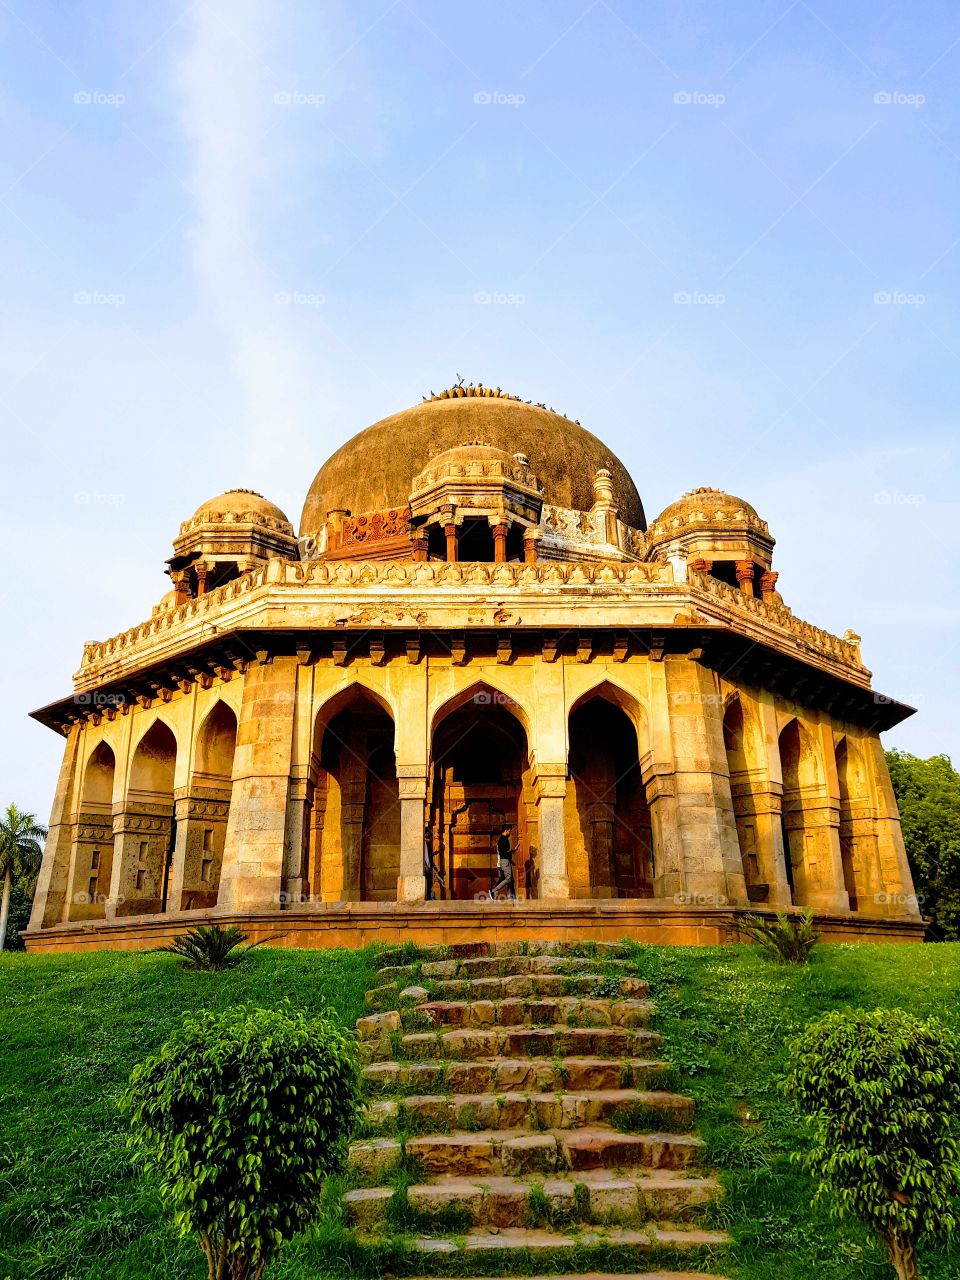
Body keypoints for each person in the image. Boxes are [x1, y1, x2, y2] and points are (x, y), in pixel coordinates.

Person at [490, 823, 517, 900]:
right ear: (506, 830)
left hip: (505, 861)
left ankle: (511, 896)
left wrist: (511, 859)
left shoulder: (503, 839)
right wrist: (512, 851)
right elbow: (504, 853)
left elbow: (504, 853)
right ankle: (494, 890)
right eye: (509, 831)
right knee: (508, 878)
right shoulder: (503, 839)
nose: (510, 832)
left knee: (510, 879)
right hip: (504, 861)